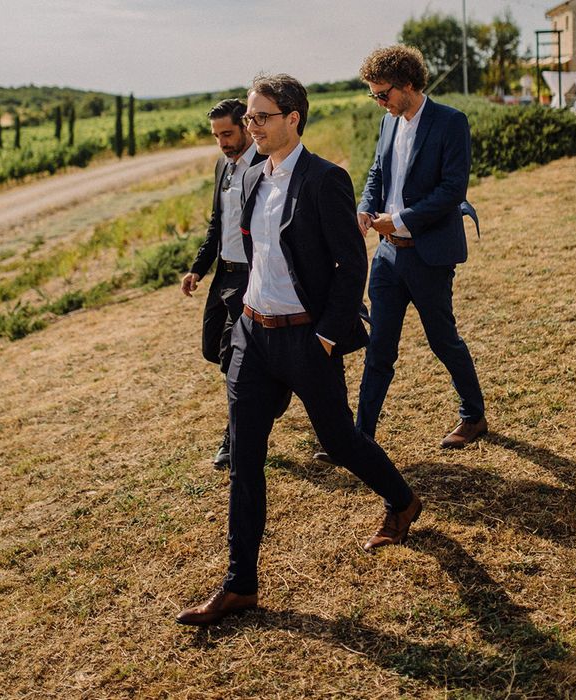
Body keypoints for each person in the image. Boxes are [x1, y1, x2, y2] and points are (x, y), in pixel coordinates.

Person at [176, 74, 421, 627]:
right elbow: (251, 254)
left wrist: (327, 336)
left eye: (261, 117)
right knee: (244, 459)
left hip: (305, 337)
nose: (251, 127)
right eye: (250, 118)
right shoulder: (252, 177)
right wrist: (237, 314)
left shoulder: (324, 179)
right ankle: (240, 585)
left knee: (338, 439)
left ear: (293, 118)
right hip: (252, 334)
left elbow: (349, 265)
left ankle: (402, 501)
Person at [354, 45, 487, 449]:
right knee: (379, 348)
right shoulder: (388, 124)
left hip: (429, 255)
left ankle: (473, 417)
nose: (379, 102)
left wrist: (402, 219)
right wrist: (365, 206)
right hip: (388, 256)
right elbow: (378, 172)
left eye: (383, 94)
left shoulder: (450, 122)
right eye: (374, 95)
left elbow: (452, 190)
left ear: (408, 84)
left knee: (442, 339)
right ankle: (360, 437)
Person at [180, 99, 268, 468]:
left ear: (246, 127)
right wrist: (198, 268)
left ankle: (233, 439)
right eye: (216, 136)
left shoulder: (266, 167)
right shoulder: (223, 165)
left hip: (252, 274)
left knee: (235, 358)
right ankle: (270, 388)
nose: (222, 143)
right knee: (210, 347)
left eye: (228, 134)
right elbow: (216, 223)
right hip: (224, 274)